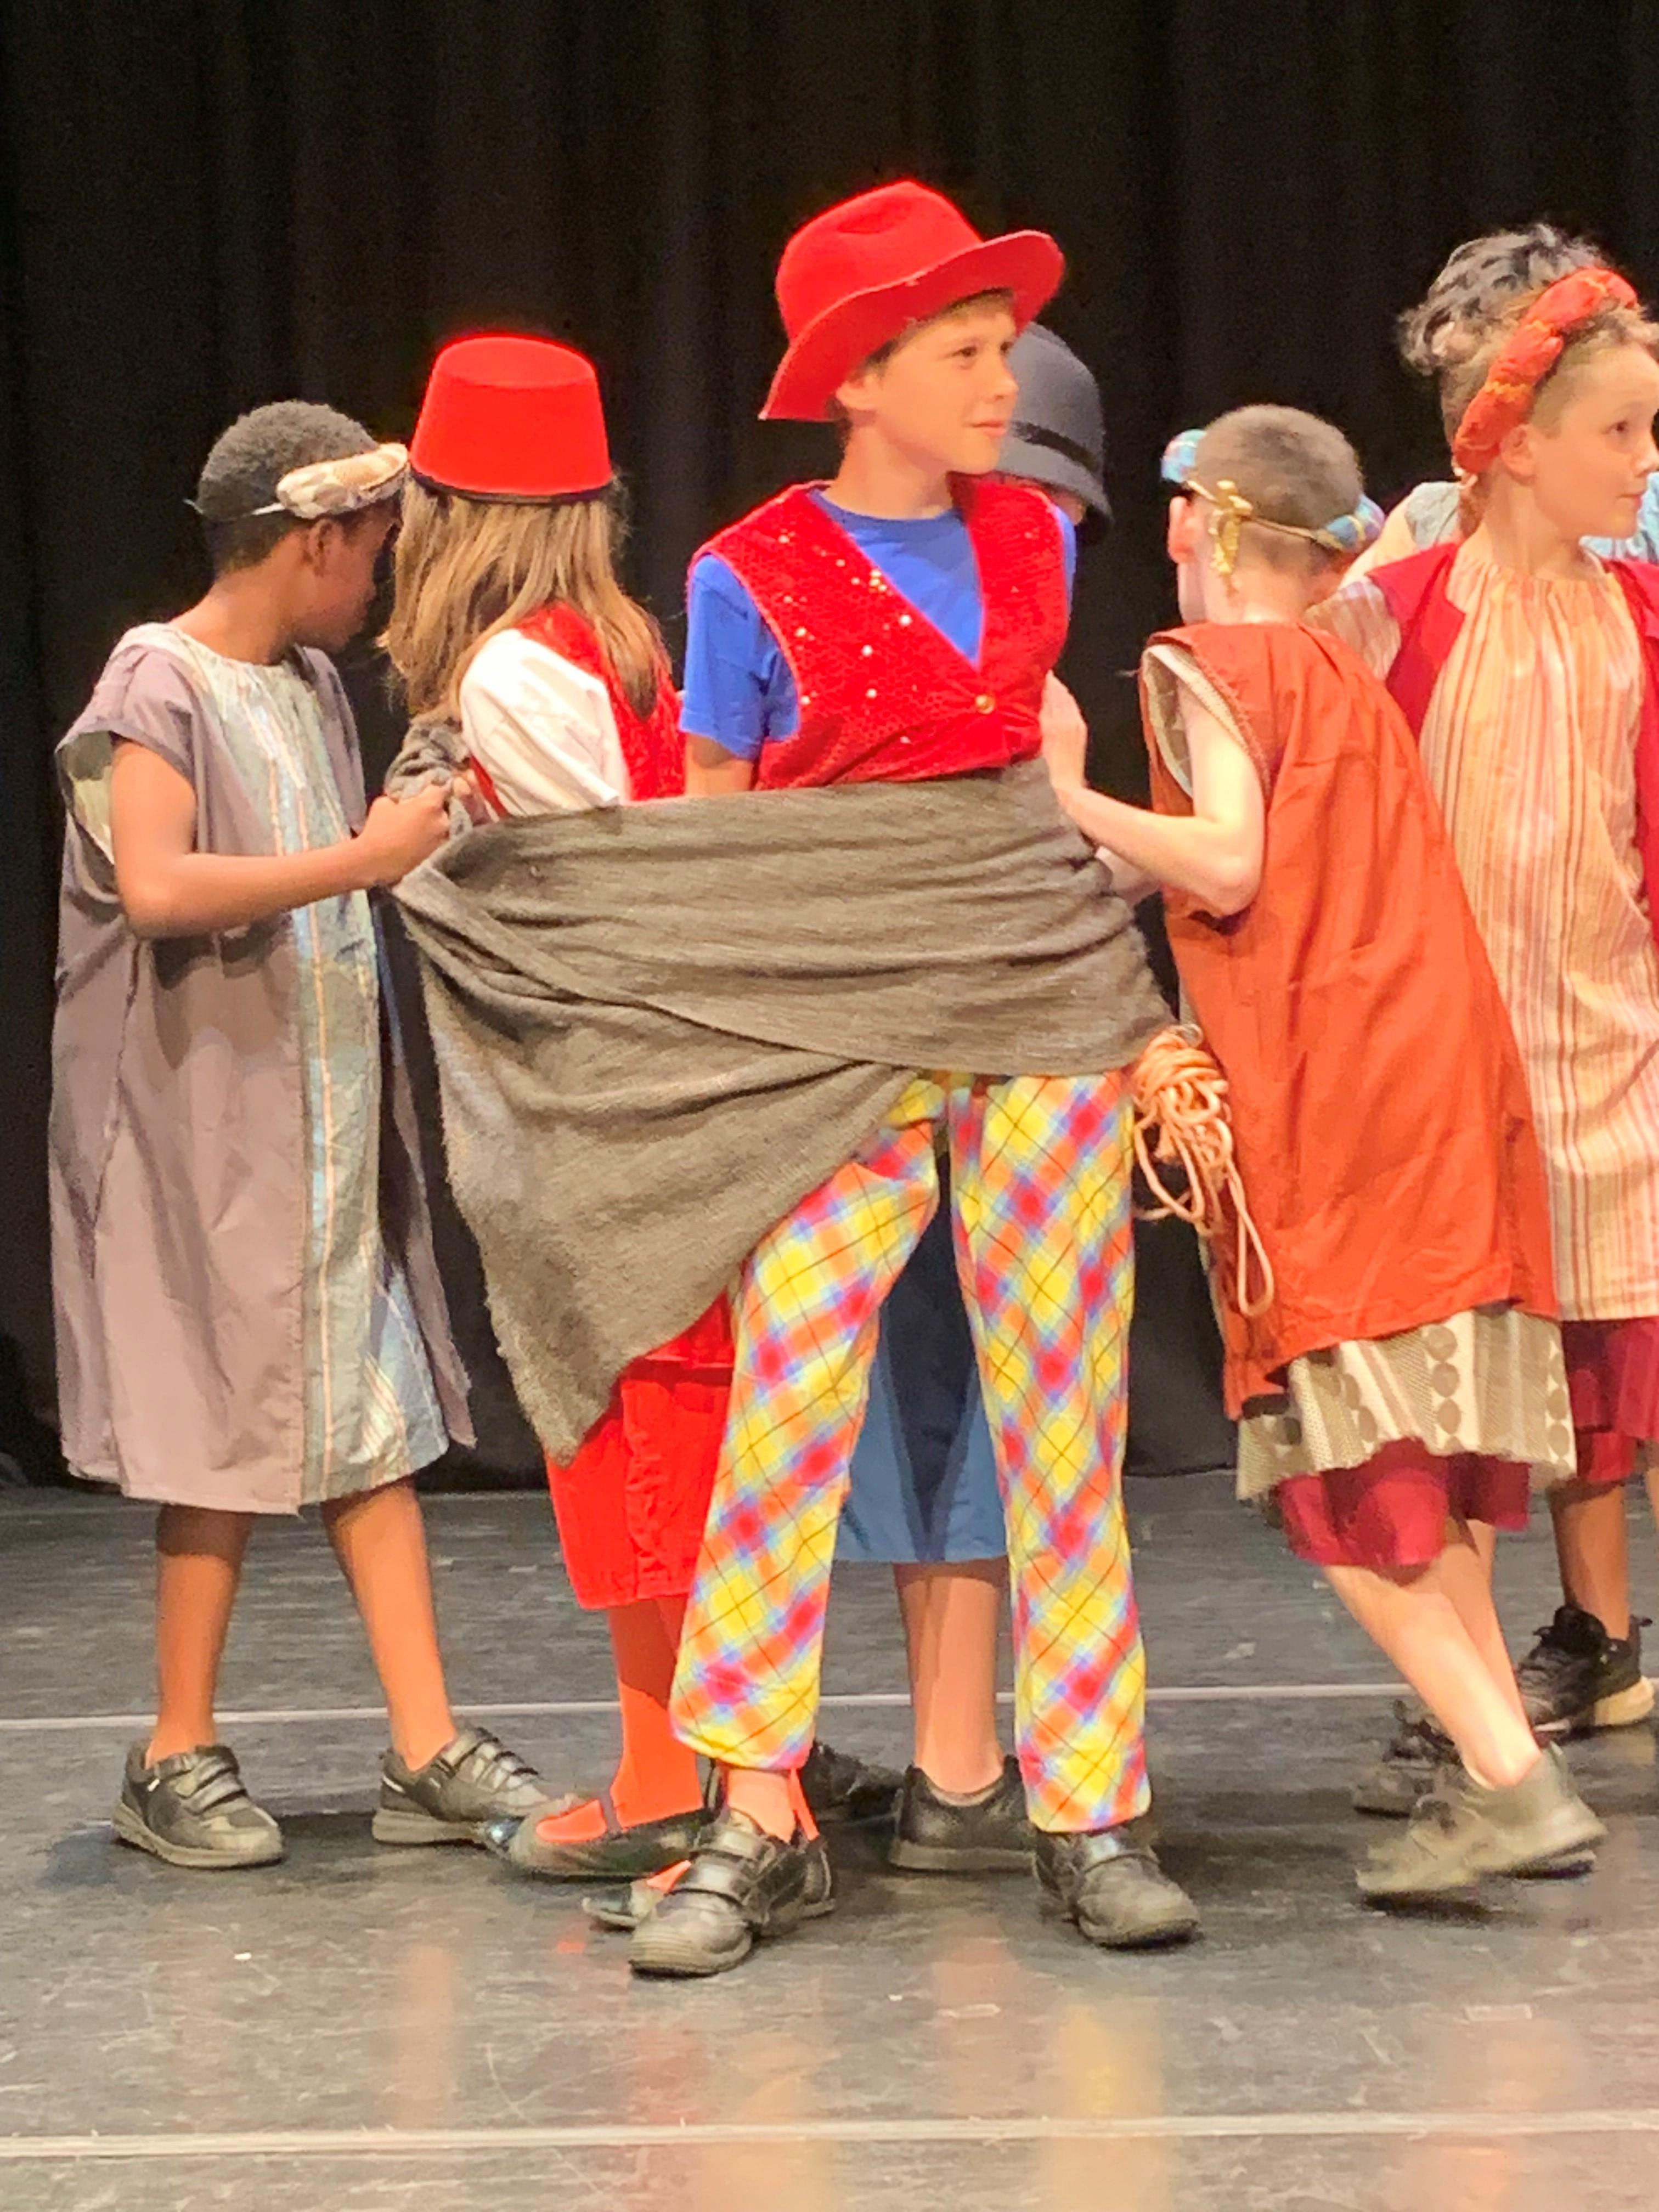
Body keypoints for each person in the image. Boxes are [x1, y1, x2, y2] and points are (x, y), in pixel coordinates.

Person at [617, 179, 1198, 1973]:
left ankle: (1088, 1810)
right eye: (964, 352)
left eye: (1002, 347)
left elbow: (1027, 785)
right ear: (859, 380)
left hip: (1031, 1014)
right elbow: (716, 842)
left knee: (1064, 1419)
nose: (1002, 382)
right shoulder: (746, 574)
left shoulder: (1033, 541)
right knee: (791, 1406)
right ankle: (751, 1810)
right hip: (842, 1033)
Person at [1041, 401, 1603, 1899]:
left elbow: (1230, 860)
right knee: (1416, 1453)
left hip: (1332, 1090)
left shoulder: (1202, 661)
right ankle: (1493, 1758)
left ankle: (1513, 1780)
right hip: (1443, 1072)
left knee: (1336, 1473)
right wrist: (1105, 854)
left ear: (1207, 524)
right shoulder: (1343, 668)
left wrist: (1065, 789)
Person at [383, 334, 895, 1886]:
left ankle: (722, 1786)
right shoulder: (609, 653)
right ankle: (673, 1765)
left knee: (652, 1438)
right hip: (637, 1101)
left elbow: (607, 891)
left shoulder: (515, 672)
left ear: (456, 518)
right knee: (639, 1438)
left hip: (614, 1109)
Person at [51, 403, 552, 1869]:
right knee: (222, 1430)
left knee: (364, 1414)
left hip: (320, 1111)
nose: (378, 581)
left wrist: (417, 823)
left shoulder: (312, 684)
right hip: (204, 1124)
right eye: (375, 550)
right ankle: (172, 1750)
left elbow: (348, 858)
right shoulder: (155, 679)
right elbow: (156, 886)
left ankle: (425, 1745)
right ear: (314, 540)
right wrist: (364, 858)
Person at [1315, 235, 1659, 1807]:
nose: (1645, 461)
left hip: (1607, 1046)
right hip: (1451, 1071)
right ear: (1516, 443)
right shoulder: (1392, 612)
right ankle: (1470, 1695)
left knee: (1599, 1362)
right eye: (1621, 431)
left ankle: (1590, 1641)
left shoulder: (1636, 614)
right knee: (1462, 1379)